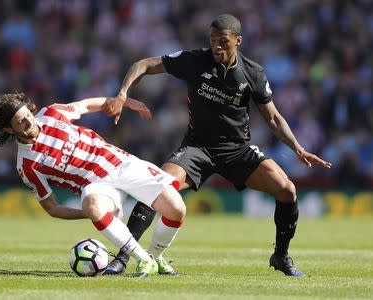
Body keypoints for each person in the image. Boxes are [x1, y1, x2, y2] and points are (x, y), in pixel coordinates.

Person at [102, 14, 332, 277]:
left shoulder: (253, 73)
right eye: (213, 41)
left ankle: (281, 256)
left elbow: (274, 118)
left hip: (237, 150)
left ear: (238, 40)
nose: (217, 47)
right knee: (155, 188)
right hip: (197, 148)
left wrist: (298, 149)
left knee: (287, 190)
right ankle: (122, 257)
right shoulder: (195, 60)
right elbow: (143, 64)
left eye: (223, 41)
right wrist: (122, 94)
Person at [0, 92, 186, 277]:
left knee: (176, 209)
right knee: (93, 205)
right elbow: (52, 208)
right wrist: (88, 214)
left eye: (27, 115)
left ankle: (155, 257)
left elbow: (85, 105)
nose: (29, 122)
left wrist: (122, 101)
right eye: (21, 122)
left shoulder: (51, 113)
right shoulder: (26, 165)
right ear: (10, 130)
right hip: (98, 187)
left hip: (120, 163)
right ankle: (142, 259)